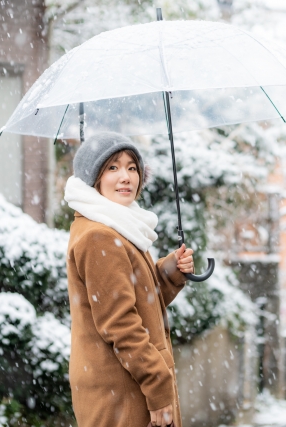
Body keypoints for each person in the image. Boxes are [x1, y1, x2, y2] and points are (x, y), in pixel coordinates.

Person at [64, 132, 193, 427]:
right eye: (113, 167)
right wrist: (158, 386)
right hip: (122, 393)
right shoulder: (100, 236)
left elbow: (138, 299)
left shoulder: (118, 225)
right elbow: (120, 325)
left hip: (124, 385)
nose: (125, 177)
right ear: (94, 177)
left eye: (132, 167)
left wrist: (170, 271)